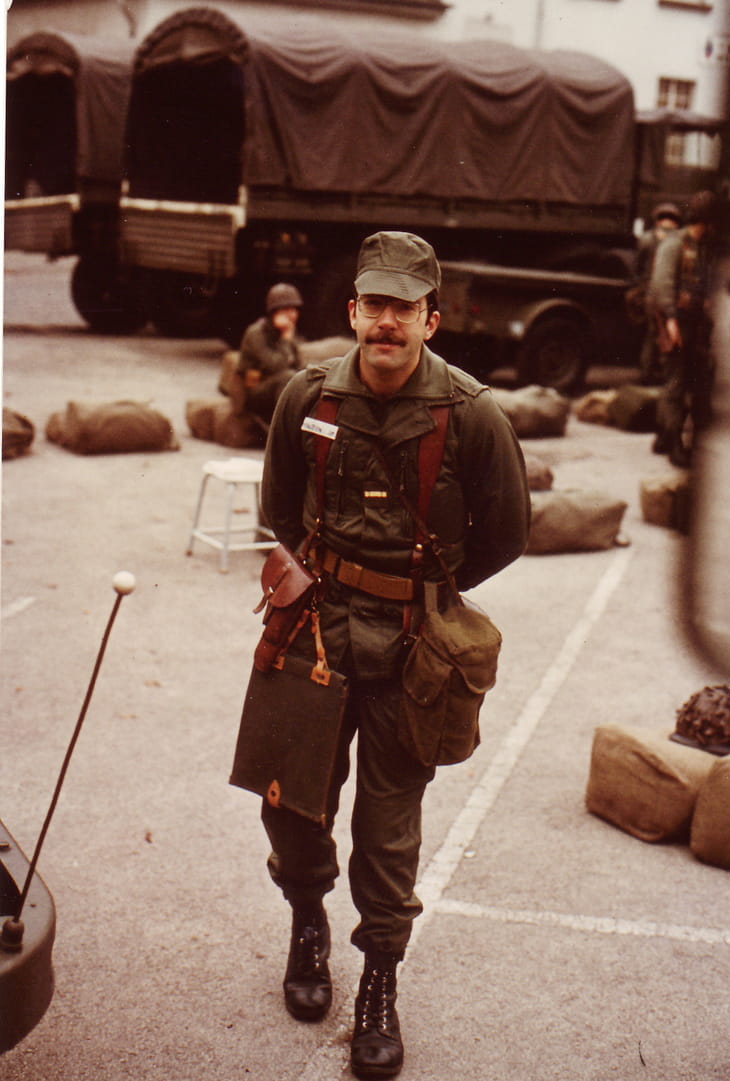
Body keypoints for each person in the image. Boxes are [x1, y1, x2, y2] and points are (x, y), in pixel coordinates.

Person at [258, 231, 530, 1079]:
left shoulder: (471, 413)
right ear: (352, 311)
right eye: (374, 304)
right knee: (292, 804)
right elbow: (278, 505)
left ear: (430, 320)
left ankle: (379, 976)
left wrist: (425, 591)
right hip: (316, 628)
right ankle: (308, 922)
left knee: (387, 828)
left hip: (412, 647)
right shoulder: (306, 395)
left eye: (403, 309)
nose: (386, 322)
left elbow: (507, 532)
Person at [648, 190, 717, 467]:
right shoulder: (675, 245)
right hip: (674, 322)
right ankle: (674, 442)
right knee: (676, 383)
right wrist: (671, 320)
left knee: (684, 381)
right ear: (707, 221)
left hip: (693, 324)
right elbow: (661, 284)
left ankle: (663, 435)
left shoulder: (700, 247)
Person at [235, 282, 304, 430]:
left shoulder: (286, 331)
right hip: (255, 389)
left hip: (277, 385)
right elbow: (276, 366)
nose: (292, 315)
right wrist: (286, 340)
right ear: (274, 312)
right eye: (286, 310)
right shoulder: (256, 333)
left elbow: (298, 364)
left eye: (294, 309)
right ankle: (284, 428)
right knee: (287, 377)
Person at [633, 202, 683, 385]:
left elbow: (637, 267)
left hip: (650, 295)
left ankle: (646, 375)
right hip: (669, 295)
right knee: (666, 336)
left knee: (651, 335)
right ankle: (662, 377)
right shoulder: (678, 241)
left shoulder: (646, 239)